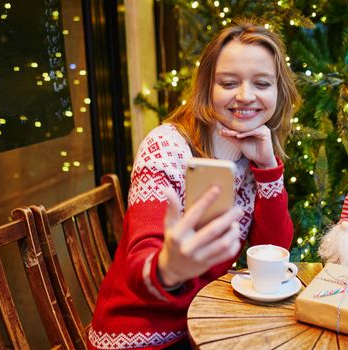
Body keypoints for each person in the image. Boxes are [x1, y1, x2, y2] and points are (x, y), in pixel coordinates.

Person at [88, 18, 301, 349]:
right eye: (229, 83)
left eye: (261, 83)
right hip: (139, 337)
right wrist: (167, 268)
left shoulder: (252, 158)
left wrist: (268, 166)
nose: (245, 96)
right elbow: (142, 256)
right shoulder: (165, 147)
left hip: (202, 325)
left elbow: (272, 253)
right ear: (208, 87)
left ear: (278, 91)